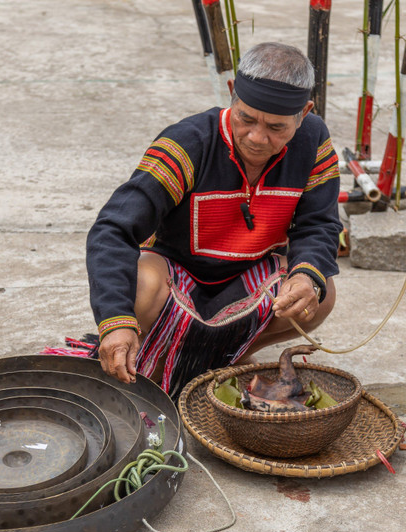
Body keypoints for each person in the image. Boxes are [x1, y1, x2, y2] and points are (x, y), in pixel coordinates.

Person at [86, 42, 342, 397]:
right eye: (246, 118)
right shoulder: (188, 143)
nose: (256, 138)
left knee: (318, 291)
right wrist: (115, 321)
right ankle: (158, 363)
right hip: (175, 280)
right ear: (232, 94)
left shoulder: (313, 141)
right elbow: (113, 229)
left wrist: (305, 275)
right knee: (140, 285)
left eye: (276, 127)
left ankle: (229, 356)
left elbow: (320, 223)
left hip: (248, 280)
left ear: (305, 112)